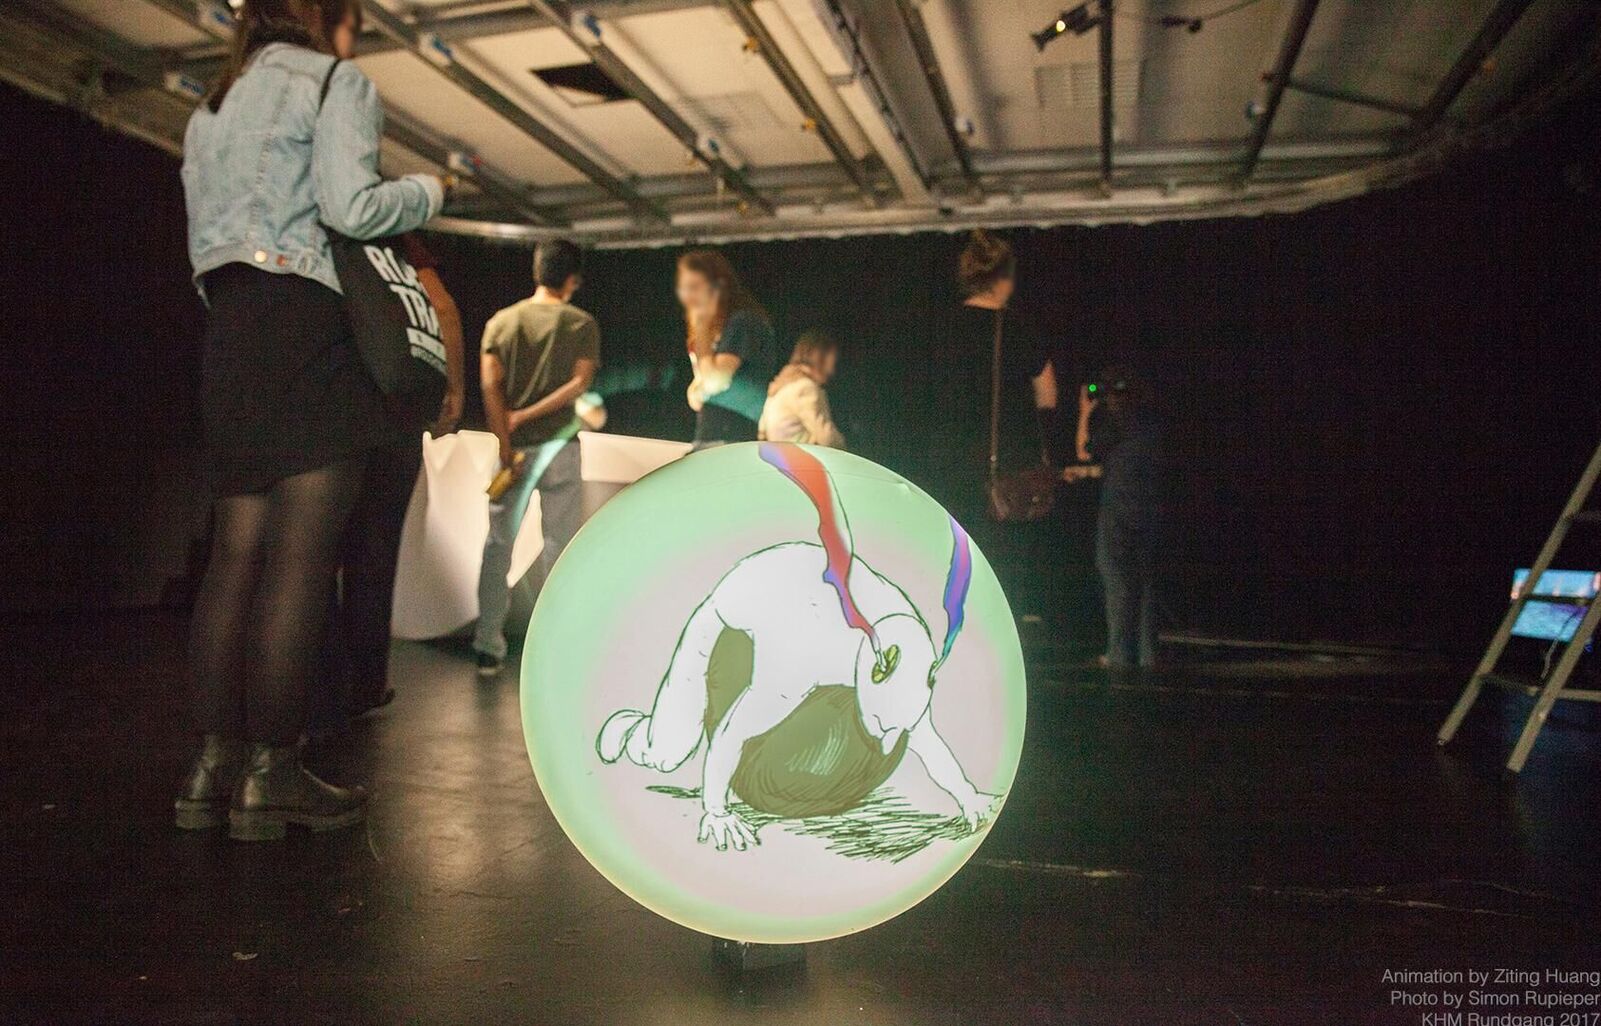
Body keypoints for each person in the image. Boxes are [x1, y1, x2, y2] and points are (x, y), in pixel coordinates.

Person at [175, 0, 449, 840]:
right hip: (304, 330)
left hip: (229, 331)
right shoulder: (338, 81)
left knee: (236, 560)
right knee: (301, 562)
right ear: (330, 21)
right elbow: (352, 208)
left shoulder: (209, 108)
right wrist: (431, 190)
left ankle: (210, 773)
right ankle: (273, 777)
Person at [322, 232, 464, 728]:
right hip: (393, 414)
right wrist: (452, 392)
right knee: (373, 553)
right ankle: (364, 682)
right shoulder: (396, 237)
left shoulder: (312, 224)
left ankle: (304, 682)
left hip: (331, 407)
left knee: (309, 553)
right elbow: (442, 308)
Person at [473, 239, 600, 677]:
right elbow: (579, 384)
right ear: (573, 279)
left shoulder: (502, 323)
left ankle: (487, 644)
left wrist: (506, 435)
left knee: (497, 546)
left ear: (536, 271)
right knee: (558, 549)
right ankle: (550, 647)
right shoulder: (581, 323)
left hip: (515, 452)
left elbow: (490, 385)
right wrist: (529, 415)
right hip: (561, 449)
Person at [922, 230, 1061, 617]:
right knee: (1004, 568)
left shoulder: (941, 327)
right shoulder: (1018, 328)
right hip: (1004, 472)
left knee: (954, 563)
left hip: (949, 467)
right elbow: (1048, 394)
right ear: (1004, 278)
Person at [1074, 366, 1162, 670]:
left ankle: (1118, 654)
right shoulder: (1152, 423)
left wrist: (1086, 411)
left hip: (1119, 512)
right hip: (1151, 510)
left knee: (1115, 577)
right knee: (1146, 582)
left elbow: (1085, 452)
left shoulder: (1117, 423)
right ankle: (1148, 654)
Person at [677, 249, 776, 448]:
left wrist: (702, 327)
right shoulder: (725, 329)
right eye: (684, 288)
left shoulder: (744, 322)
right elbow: (696, 397)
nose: (688, 297)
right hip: (716, 436)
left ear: (718, 287)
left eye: (695, 287)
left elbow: (715, 382)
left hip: (728, 437)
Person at [758, 330, 846, 448]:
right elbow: (825, 436)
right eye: (832, 360)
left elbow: (762, 430)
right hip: (804, 459)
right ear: (820, 357)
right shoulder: (805, 387)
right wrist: (847, 451)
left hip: (779, 458)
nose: (832, 370)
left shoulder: (781, 385)